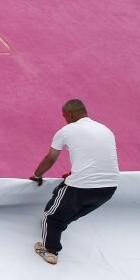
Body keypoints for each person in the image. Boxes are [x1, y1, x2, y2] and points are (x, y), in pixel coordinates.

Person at [29, 99, 118, 264]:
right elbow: (97, 157)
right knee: (68, 210)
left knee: (51, 216)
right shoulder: (106, 130)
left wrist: (37, 175)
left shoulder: (66, 131)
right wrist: (72, 174)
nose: (64, 119)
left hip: (81, 187)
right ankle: (55, 231)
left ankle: (50, 251)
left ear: (69, 115)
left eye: (64, 116)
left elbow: (50, 158)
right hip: (109, 189)